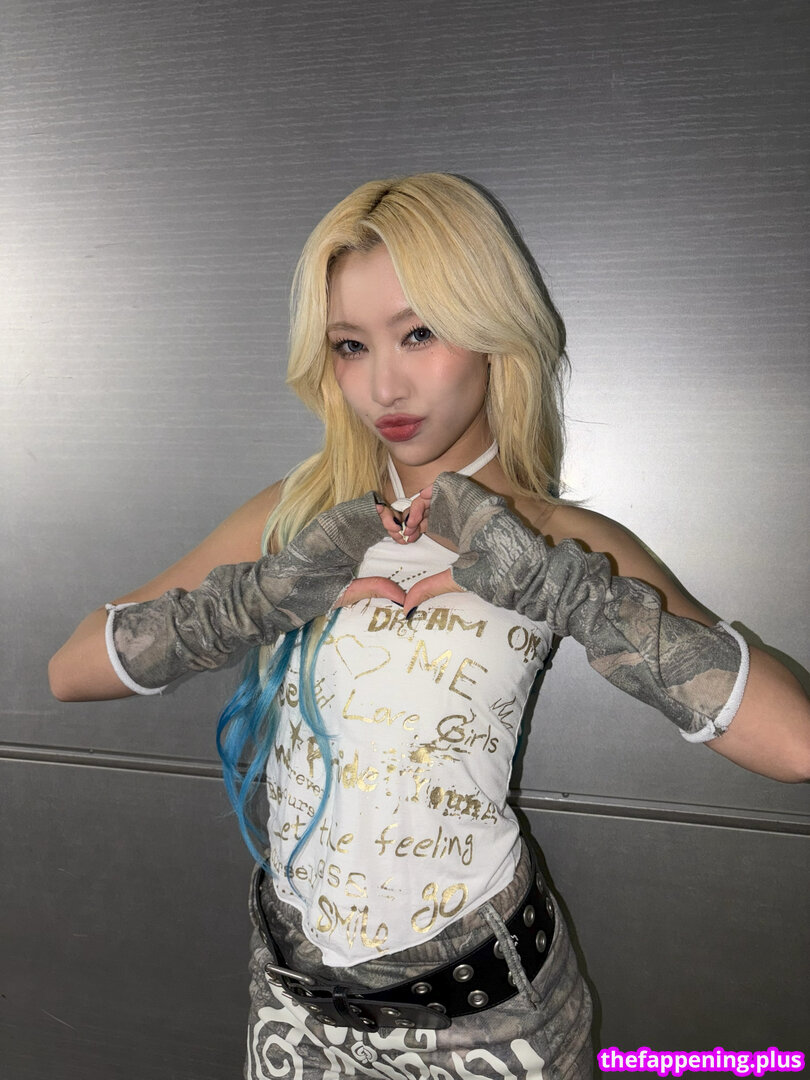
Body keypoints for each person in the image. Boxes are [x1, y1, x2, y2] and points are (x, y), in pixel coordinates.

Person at [49, 173, 810, 1079]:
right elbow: (70, 670)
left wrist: (555, 585)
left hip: (488, 1024)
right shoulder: (296, 518)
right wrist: (260, 600)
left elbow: (793, 743)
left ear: (491, 332)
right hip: (294, 1011)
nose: (385, 384)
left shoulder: (554, 537)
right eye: (350, 345)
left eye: (419, 333)